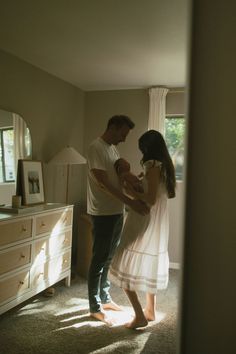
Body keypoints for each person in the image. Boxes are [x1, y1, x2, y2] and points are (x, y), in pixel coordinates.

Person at [109, 129, 176, 329]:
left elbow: (150, 199)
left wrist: (130, 192)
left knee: (123, 261)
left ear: (147, 148)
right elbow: (156, 193)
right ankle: (150, 310)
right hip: (157, 221)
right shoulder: (164, 166)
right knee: (146, 259)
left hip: (144, 218)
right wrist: (140, 184)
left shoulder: (152, 164)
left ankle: (139, 315)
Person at [86, 115, 149, 325]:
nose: (123, 139)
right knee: (98, 258)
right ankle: (94, 307)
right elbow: (103, 184)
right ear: (112, 127)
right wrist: (130, 203)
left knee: (109, 257)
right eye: (122, 134)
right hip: (102, 212)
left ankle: (104, 298)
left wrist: (133, 187)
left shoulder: (113, 149)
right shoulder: (96, 147)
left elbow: (118, 180)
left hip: (116, 211)